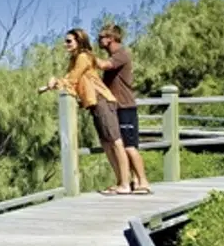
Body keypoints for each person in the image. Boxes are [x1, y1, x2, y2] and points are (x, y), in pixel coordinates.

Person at [38, 28, 131, 195]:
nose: (65, 44)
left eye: (69, 41)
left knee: (115, 142)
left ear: (79, 41)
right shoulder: (74, 58)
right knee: (106, 143)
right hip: (94, 103)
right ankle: (120, 182)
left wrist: (54, 82)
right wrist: (54, 84)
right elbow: (71, 80)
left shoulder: (83, 57)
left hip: (101, 100)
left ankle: (125, 183)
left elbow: (72, 79)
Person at [95, 24, 151, 194]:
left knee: (129, 146)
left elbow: (104, 65)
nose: (98, 40)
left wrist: (85, 56)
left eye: (101, 37)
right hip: (115, 107)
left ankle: (143, 182)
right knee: (118, 146)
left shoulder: (121, 54)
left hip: (125, 107)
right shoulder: (114, 55)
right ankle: (127, 181)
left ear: (111, 38)